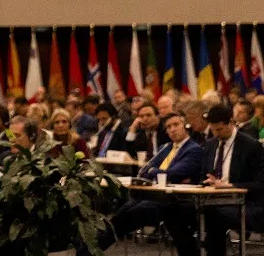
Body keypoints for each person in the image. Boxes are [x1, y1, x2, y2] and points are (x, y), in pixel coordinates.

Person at [79, 112, 202, 256]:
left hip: (175, 200)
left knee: (127, 217)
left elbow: (173, 173)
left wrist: (154, 171)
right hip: (153, 196)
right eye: (169, 127)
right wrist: (155, 171)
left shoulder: (193, 149)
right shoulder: (166, 147)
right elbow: (144, 170)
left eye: (176, 125)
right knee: (119, 216)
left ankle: (87, 251)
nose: (172, 129)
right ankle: (88, 249)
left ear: (185, 126)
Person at [167, 104, 264, 256]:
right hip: (210, 199)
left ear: (231, 122)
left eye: (219, 129)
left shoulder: (251, 146)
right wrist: (206, 182)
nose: (216, 134)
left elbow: (260, 184)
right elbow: (202, 176)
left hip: (242, 202)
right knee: (172, 211)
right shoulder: (210, 144)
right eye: (213, 130)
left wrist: (229, 186)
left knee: (214, 215)